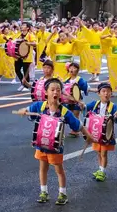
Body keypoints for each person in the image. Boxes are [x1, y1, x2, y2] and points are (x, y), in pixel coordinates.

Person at [15, 77, 93, 205]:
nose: (55, 92)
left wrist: (87, 135)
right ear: (46, 92)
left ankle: (62, 193)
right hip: (41, 145)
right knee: (43, 168)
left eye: (58, 90)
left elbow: (77, 125)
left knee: (59, 170)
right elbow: (28, 111)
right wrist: (24, 111)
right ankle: (44, 191)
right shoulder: (40, 106)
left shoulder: (64, 111)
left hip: (56, 147)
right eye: (52, 90)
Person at [84, 83, 117, 182]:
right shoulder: (94, 104)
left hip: (107, 135)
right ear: (99, 93)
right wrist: (81, 105)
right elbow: (85, 109)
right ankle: (100, 168)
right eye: (103, 91)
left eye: (108, 92)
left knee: (104, 153)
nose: (106, 94)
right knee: (99, 152)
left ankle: (103, 171)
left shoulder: (113, 107)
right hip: (97, 134)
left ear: (111, 94)